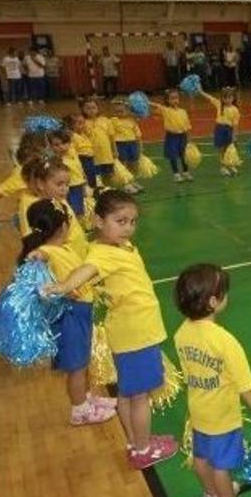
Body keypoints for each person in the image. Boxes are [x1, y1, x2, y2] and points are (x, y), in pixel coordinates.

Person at [43, 190, 179, 470]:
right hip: (138, 334)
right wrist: (64, 286)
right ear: (98, 220)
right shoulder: (103, 254)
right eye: (120, 221)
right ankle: (143, 449)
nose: (128, 227)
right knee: (140, 398)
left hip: (125, 332)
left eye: (132, 221)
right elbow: (87, 269)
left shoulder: (119, 247)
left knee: (128, 395)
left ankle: (135, 441)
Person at [174, 263, 251, 497]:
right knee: (222, 466)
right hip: (223, 417)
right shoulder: (225, 341)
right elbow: (244, 384)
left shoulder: (182, 332)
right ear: (214, 302)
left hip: (198, 411)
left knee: (201, 457)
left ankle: (211, 495)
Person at [20, 200, 115, 426]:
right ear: (64, 226)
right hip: (70, 316)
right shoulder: (48, 251)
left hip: (80, 312)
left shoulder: (64, 248)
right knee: (77, 366)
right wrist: (36, 255)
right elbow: (41, 255)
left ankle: (87, 397)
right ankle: (79, 411)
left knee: (83, 361)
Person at [150, 90, 194, 183]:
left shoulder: (183, 111)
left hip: (183, 136)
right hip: (171, 137)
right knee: (173, 155)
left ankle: (186, 172)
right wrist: (145, 102)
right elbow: (154, 109)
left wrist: (189, 137)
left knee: (184, 155)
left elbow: (187, 125)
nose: (175, 100)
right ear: (167, 100)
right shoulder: (165, 110)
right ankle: (176, 174)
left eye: (176, 98)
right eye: (172, 98)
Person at [200, 87, 240, 176]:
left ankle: (230, 164)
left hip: (229, 130)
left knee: (229, 149)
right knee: (222, 149)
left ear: (233, 98)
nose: (228, 100)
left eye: (230, 97)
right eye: (225, 98)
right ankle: (223, 167)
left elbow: (235, 124)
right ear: (222, 98)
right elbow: (209, 97)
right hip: (220, 129)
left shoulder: (235, 110)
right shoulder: (219, 104)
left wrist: (234, 135)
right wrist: (200, 91)